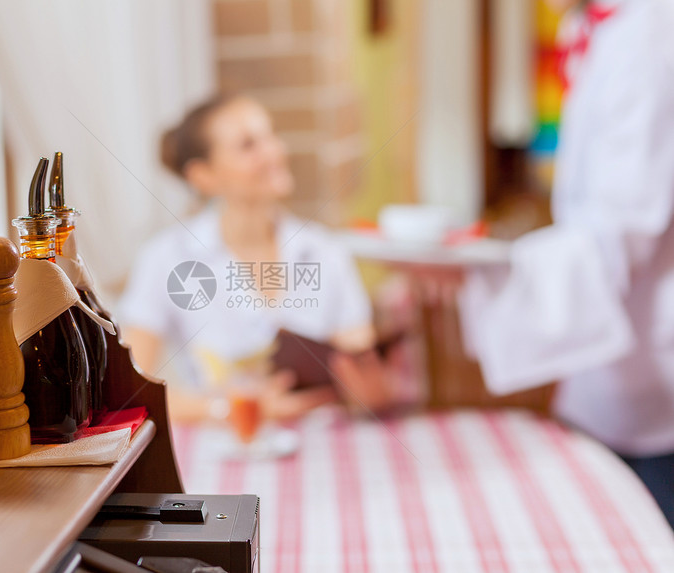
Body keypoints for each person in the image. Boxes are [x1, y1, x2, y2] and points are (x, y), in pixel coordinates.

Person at [453, 0, 674, 526]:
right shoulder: (598, 25)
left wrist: (489, 275)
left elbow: (623, 231)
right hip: (607, 370)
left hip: (654, 372)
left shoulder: (652, 37)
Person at [117, 94, 401, 423]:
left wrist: (372, 393)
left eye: (271, 137)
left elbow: (365, 375)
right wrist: (235, 410)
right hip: (225, 454)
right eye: (249, 145)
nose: (274, 152)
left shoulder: (326, 251)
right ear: (203, 176)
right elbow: (131, 393)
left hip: (326, 446)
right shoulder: (165, 258)